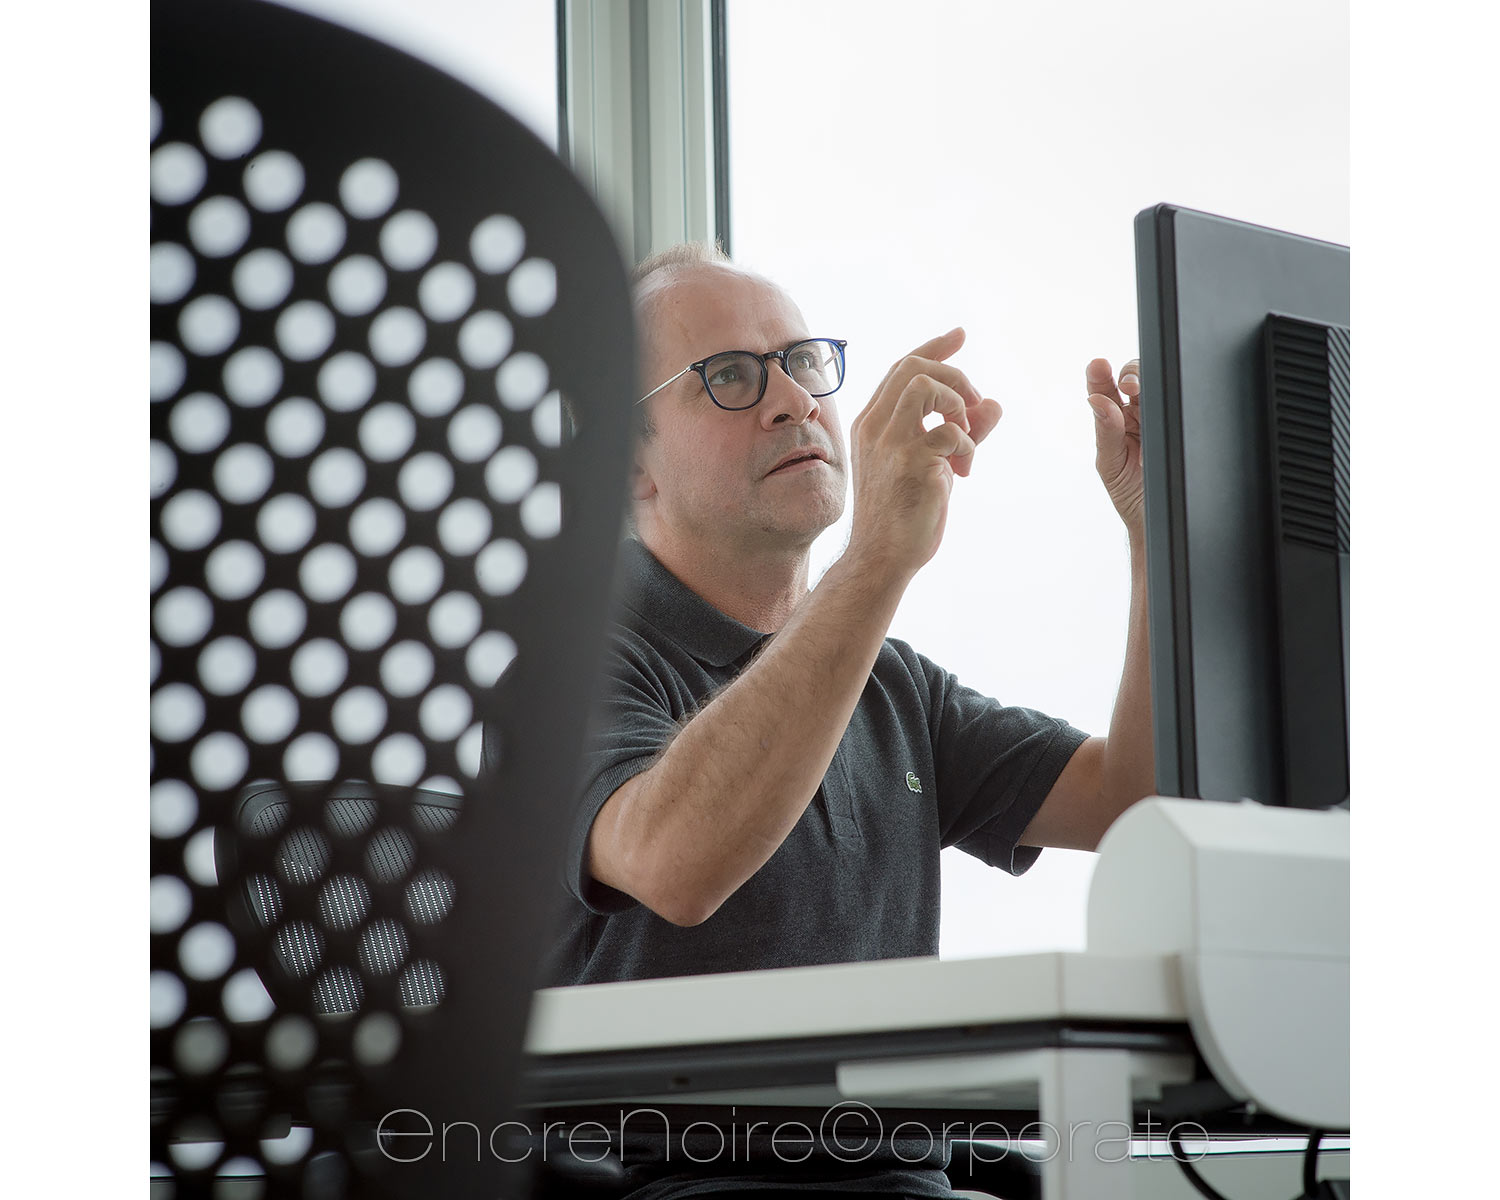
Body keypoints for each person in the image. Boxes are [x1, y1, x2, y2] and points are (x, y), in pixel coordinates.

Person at [542, 241, 1153, 1198]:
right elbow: (674, 862)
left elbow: (1137, 797)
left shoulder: (887, 683)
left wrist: (1157, 530)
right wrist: (876, 559)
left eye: (801, 362)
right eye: (731, 378)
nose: (793, 400)